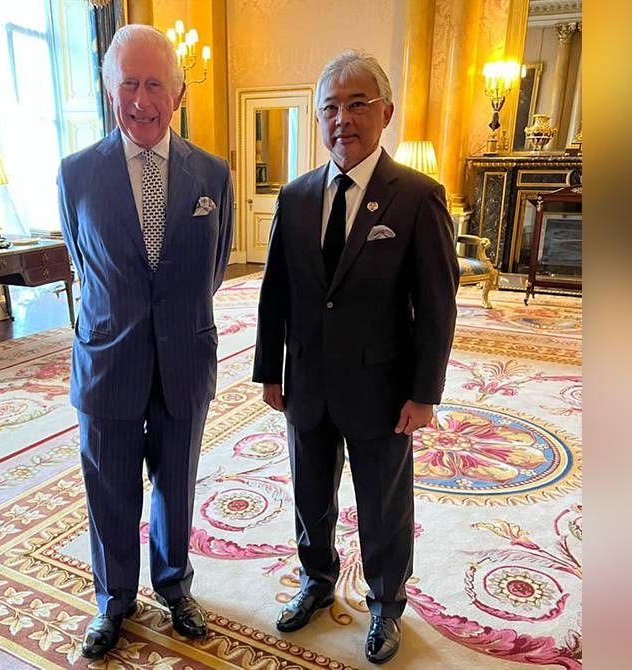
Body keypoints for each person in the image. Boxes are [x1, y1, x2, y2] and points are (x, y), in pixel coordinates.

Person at [252, 49, 458, 664]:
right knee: (310, 493)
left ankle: (386, 604)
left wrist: (424, 392)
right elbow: (276, 293)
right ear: (319, 120)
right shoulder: (294, 197)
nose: (343, 118)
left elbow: (438, 304)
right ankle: (317, 581)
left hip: (382, 389)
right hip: (308, 383)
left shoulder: (417, 197)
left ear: (385, 112)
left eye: (357, 103)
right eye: (331, 108)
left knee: (383, 504)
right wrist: (269, 370)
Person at [57, 24, 233, 659]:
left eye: (154, 82)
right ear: (111, 91)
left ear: (177, 92)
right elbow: (85, 262)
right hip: (108, 361)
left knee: (176, 483)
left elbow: (212, 271)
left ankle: (174, 586)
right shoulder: (77, 174)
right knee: (108, 487)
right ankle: (113, 601)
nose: (141, 98)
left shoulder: (212, 174)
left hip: (185, 357)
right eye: (128, 82)